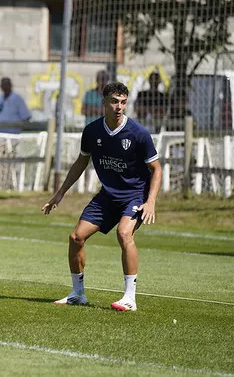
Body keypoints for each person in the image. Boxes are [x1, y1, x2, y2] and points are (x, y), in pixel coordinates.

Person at [41, 81, 161, 312]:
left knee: (124, 234)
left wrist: (151, 201)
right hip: (108, 196)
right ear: (104, 102)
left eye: (123, 102)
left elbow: (157, 169)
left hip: (134, 196)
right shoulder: (92, 131)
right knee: (76, 237)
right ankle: (78, 293)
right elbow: (81, 162)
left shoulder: (138, 133)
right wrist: (60, 194)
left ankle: (129, 298)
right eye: (114, 101)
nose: (119, 107)